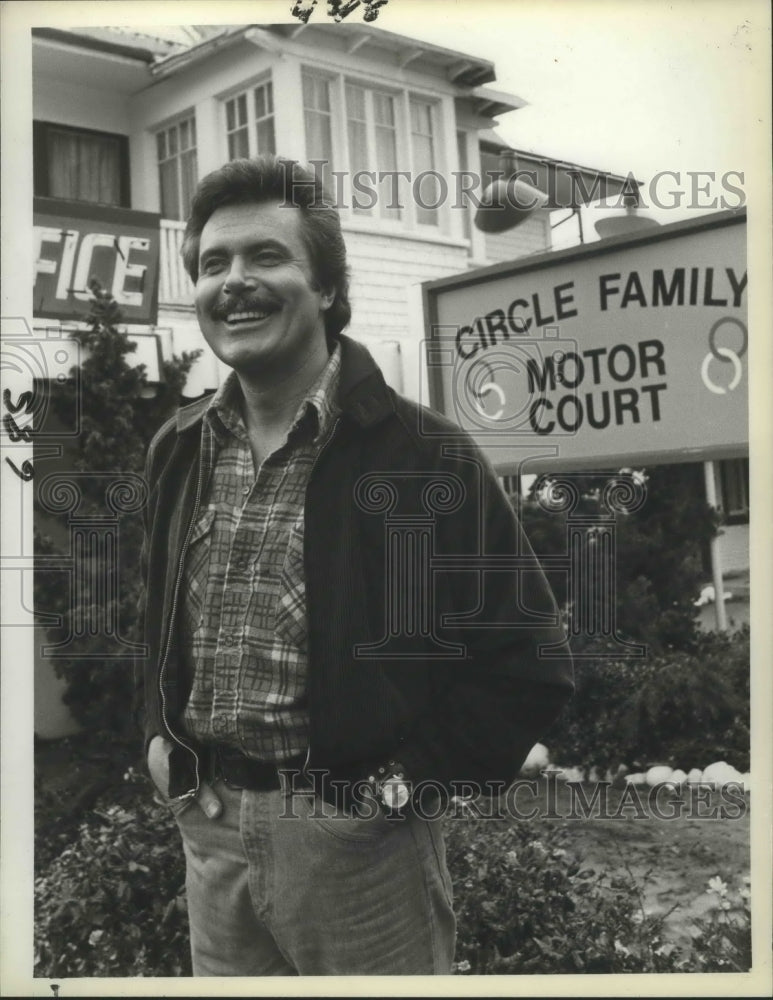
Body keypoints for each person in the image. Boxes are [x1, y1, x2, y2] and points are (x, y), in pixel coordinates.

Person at [137, 155, 573, 976]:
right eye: (212, 264)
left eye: (267, 256)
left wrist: (401, 788)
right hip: (211, 834)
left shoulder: (423, 456)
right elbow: (158, 624)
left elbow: (528, 663)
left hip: (358, 851)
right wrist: (161, 742)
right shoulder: (178, 449)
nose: (234, 281)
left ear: (329, 291)